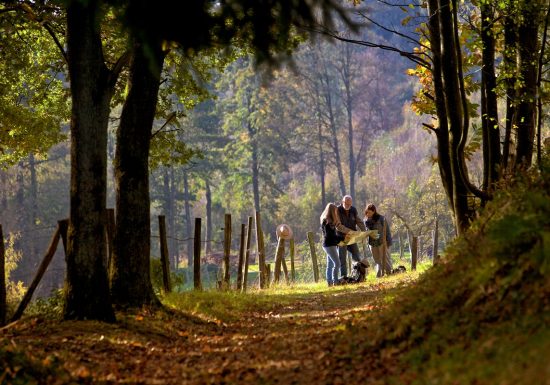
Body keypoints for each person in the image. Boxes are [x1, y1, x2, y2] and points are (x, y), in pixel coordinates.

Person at [320, 203, 353, 286]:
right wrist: (342, 238)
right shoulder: (327, 222)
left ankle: (329, 282)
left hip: (330, 245)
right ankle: (335, 281)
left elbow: (332, 235)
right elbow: (330, 236)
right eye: (335, 211)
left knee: (330, 264)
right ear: (332, 211)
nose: (336, 212)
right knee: (337, 263)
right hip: (329, 245)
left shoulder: (328, 220)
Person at [337, 195, 368, 278]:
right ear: (343, 202)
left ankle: (359, 275)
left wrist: (364, 231)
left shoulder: (353, 210)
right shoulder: (337, 210)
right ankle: (344, 277)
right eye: (346, 204)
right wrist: (350, 232)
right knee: (342, 259)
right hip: (341, 238)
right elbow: (338, 226)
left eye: (350, 204)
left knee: (356, 256)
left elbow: (359, 221)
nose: (348, 206)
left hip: (352, 238)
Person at [364, 203, 393, 277]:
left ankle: (389, 273)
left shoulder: (381, 218)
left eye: (370, 212)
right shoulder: (366, 221)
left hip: (381, 242)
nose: (368, 214)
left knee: (385, 259)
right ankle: (379, 276)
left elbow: (387, 230)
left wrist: (388, 241)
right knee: (377, 260)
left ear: (374, 211)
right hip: (372, 244)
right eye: (367, 212)